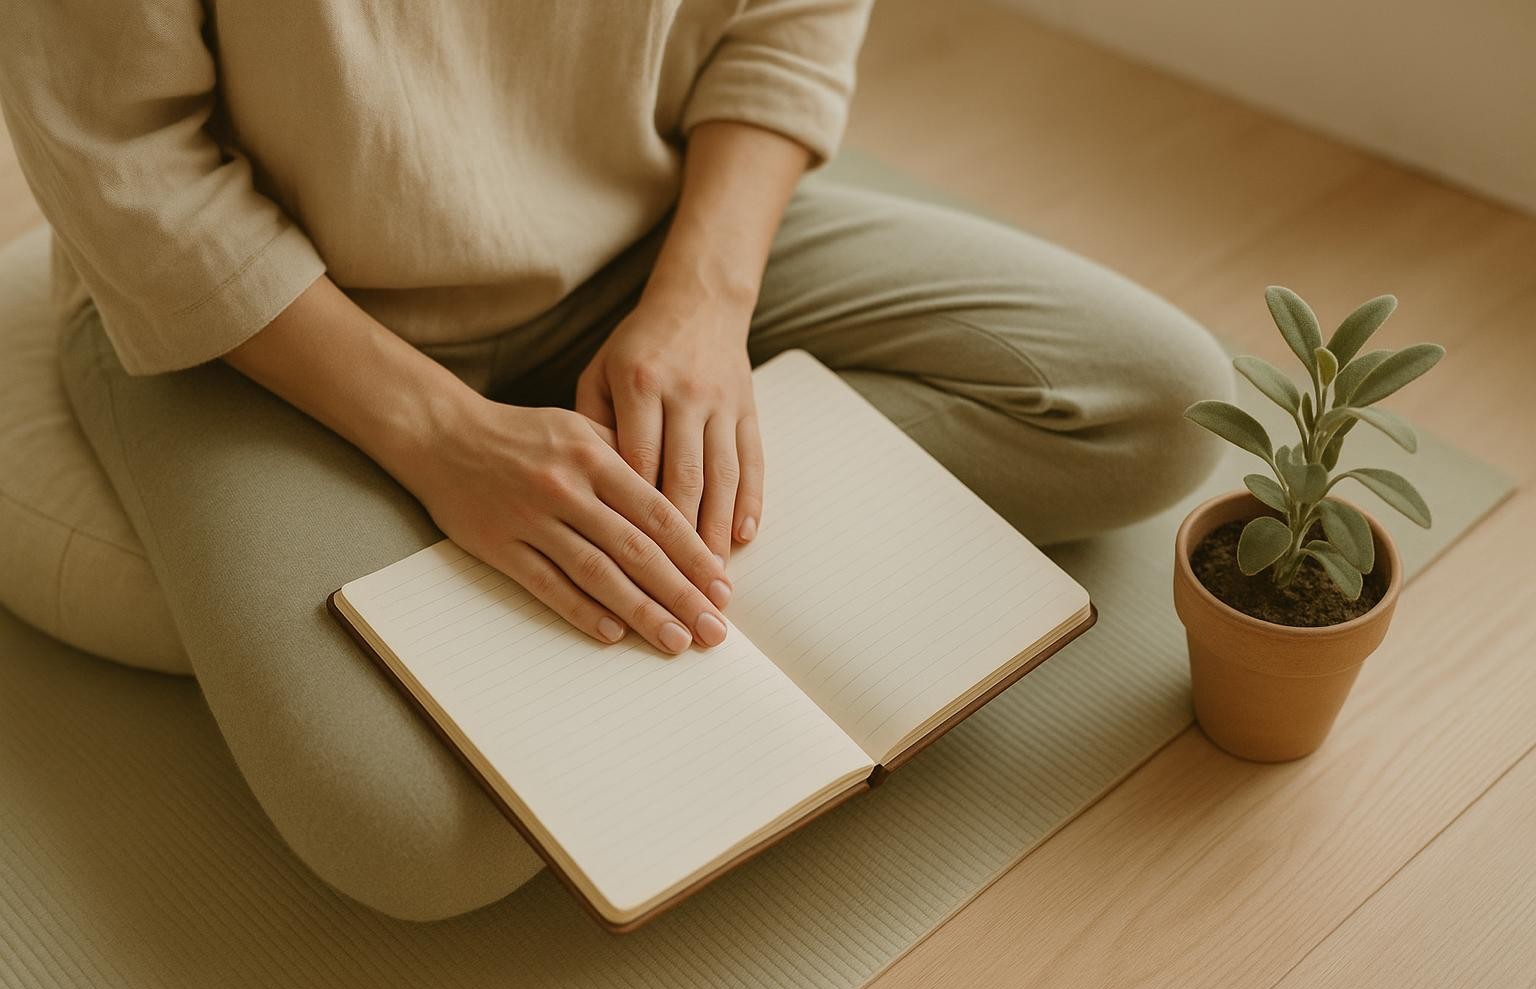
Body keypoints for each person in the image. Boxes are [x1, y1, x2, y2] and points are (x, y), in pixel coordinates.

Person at [0, 0, 1231, 920]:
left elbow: (787, 16)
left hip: (631, 240)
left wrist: (703, 301)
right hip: (267, 321)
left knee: (1162, 403)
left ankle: (594, 528)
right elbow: (126, 161)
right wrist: (438, 439)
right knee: (423, 838)